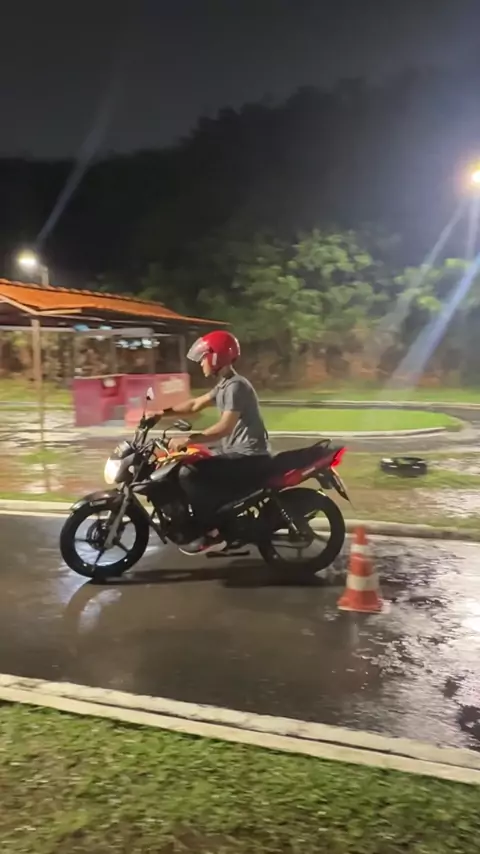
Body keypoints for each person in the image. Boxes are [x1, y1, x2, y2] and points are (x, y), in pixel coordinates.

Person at [148, 330, 272, 554]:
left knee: (189, 473)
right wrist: (161, 413)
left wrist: (188, 439)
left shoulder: (236, 386)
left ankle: (213, 532)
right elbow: (195, 405)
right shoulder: (225, 385)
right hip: (236, 452)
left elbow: (224, 427)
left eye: (204, 357)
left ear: (217, 357)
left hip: (250, 457)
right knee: (190, 459)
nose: (201, 362)